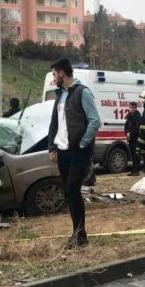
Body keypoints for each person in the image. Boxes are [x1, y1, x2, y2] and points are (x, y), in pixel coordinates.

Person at [47, 59, 100, 249]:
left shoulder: (82, 92)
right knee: (70, 193)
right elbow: (54, 123)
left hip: (78, 151)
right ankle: (78, 234)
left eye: (54, 74)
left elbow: (95, 121)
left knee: (72, 190)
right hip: (62, 152)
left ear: (62, 73)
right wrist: (52, 147)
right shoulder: (60, 95)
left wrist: (83, 143)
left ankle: (80, 235)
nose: (54, 79)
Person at [124, 102, 142, 176]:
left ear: (136, 108)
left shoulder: (138, 117)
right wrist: (127, 133)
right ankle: (134, 170)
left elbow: (137, 127)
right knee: (132, 155)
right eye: (130, 107)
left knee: (136, 155)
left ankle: (136, 170)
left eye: (133, 107)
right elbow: (126, 126)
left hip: (136, 138)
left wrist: (130, 133)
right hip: (130, 138)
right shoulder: (129, 116)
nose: (131, 109)